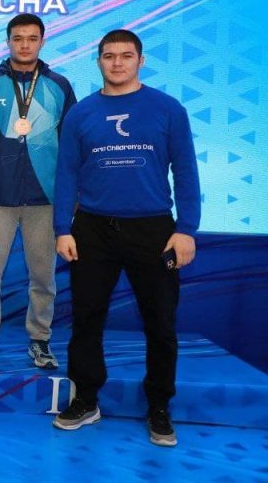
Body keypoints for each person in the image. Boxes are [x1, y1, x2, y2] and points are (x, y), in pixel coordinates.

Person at [52, 29, 200, 447]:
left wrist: (186, 229)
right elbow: (66, 174)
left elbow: (186, 170)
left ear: (141, 60)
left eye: (126, 55)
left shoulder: (168, 109)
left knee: (160, 322)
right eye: (109, 56)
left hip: (153, 229)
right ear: (98, 61)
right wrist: (62, 228)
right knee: (86, 319)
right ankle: (86, 400)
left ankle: (159, 406)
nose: (117, 63)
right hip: (92, 229)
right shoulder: (81, 113)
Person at [0, 13, 76, 369]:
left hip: (45, 197)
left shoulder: (59, 86)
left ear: (42, 41)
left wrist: (71, 195)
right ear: (8, 42)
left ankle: (40, 340)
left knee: (43, 277)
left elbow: (72, 147)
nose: (25, 45)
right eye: (18, 38)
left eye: (31, 38)